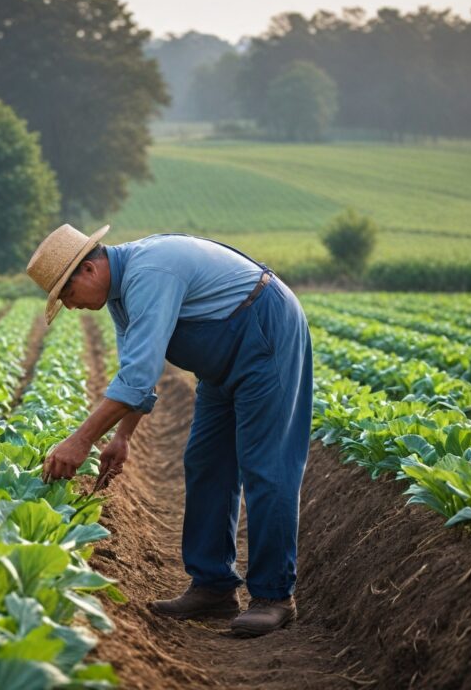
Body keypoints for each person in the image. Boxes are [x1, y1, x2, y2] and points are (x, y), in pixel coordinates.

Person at [26, 224, 313, 637]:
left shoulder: (149, 272)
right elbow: (135, 373)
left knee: (265, 466)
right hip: (221, 363)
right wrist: (122, 437)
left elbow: (139, 377)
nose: (71, 307)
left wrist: (81, 440)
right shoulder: (120, 297)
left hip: (266, 333)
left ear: (88, 270)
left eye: (67, 295)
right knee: (205, 461)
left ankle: (274, 596)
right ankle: (214, 585)